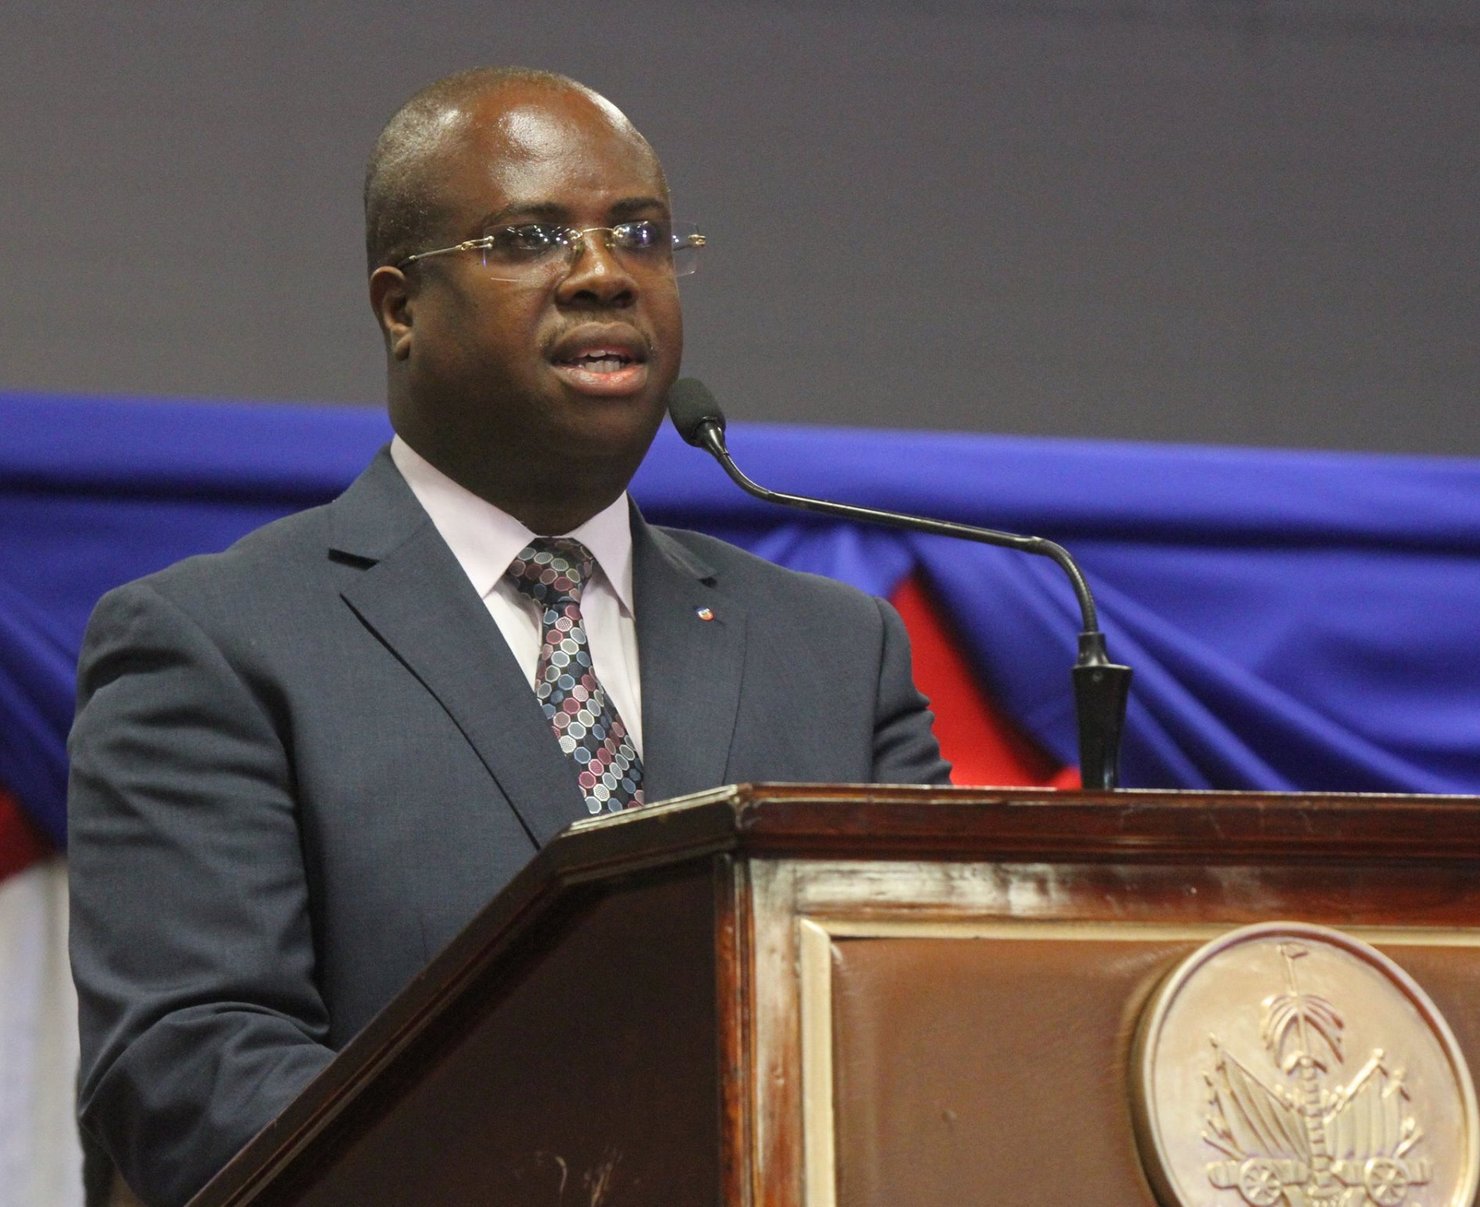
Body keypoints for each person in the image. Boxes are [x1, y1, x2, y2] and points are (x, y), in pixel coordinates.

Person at [67, 67, 948, 1205]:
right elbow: (191, 1070)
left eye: (640, 233)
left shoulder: (835, 652)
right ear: (400, 308)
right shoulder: (219, 643)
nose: (603, 274)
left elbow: (929, 1024)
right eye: (529, 238)